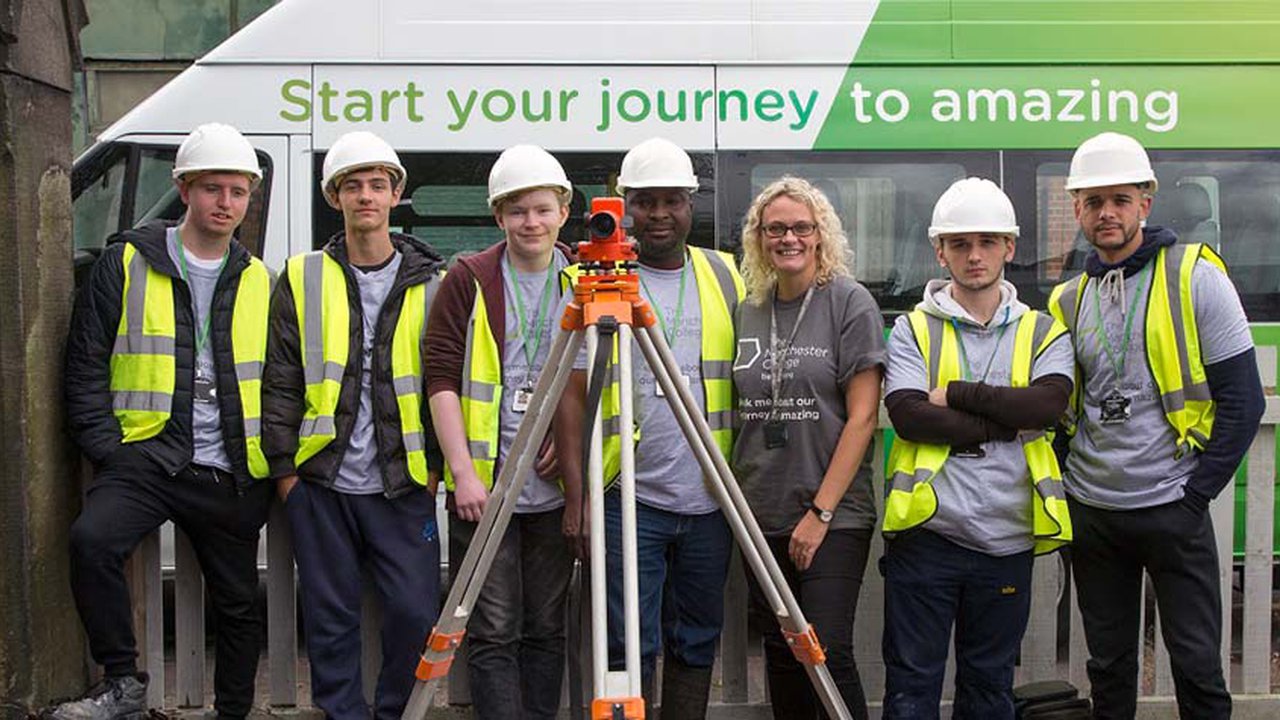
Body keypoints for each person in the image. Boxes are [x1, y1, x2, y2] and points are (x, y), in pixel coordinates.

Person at [56, 122, 274, 720]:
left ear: (249, 197)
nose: (225, 203)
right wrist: (110, 449)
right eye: (212, 189)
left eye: (236, 191)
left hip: (228, 463)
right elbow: (85, 363)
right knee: (91, 542)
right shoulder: (126, 261)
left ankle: (234, 710)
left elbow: (278, 377)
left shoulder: (258, 277)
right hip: (148, 454)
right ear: (184, 189)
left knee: (237, 604)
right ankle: (122, 684)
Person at [1048, 131, 1265, 719]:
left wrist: (1196, 495)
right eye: (1093, 202)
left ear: (1146, 200)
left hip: (1173, 506)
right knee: (1109, 666)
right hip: (1094, 511)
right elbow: (1066, 412)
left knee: (1197, 664)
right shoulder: (1067, 301)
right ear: (1077, 210)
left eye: (1120, 199)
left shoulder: (1196, 277)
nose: (1107, 213)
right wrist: (1069, 494)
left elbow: (1244, 400)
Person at [261, 130, 445, 720]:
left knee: (416, 611)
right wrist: (287, 473)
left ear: (395, 196)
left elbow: (449, 384)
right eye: (351, 186)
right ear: (333, 196)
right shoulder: (301, 275)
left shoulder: (433, 283)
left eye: (376, 185)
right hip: (321, 480)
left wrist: (437, 468)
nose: (365, 196)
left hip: (404, 480)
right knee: (329, 614)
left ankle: (395, 712)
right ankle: (343, 713)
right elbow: (280, 377)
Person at [558, 137, 743, 718]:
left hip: (710, 494)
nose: (658, 214)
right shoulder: (593, 281)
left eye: (671, 201)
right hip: (626, 493)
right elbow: (572, 396)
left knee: (696, 634)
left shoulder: (726, 274)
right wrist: (577, 494)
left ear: (691, 204)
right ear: (622, 206)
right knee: (624, 640)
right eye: (645, 201)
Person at [880, 178, 1074, 719]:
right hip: (928, 538)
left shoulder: (1042, 331)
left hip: (1006, 541)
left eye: (987, 242)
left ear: (1009, 248)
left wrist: (960, 396)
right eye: (960, 244)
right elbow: (911, 417)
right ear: (939, 250)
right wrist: (1002, 422)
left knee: (988, 691)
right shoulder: (913, 329)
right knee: (910, 688)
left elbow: (1047, 407)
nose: (974, 255)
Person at [423, 144, 579, 720]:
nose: (530, 222)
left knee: (544, 627)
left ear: (563, 210)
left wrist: (572, 452)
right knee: (491, 630)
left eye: (541, 209)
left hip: (553, 492)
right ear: (498, 217)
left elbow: (613, 383)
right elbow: (439, 377)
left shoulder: (585, 280)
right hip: (483, 490)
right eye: (516, 211)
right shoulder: (468, 277)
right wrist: (461, 473)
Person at [731, 176, 882, 719]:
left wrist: (821, 512)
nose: (788, 238)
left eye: (801, 227)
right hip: (759, 510)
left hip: (832, 514)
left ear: (820, 234)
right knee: (780, 650)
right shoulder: (749, 306)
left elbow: (863, 417)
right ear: (759, 237)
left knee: (827, 650)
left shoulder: (849, 302)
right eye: (776, 228)